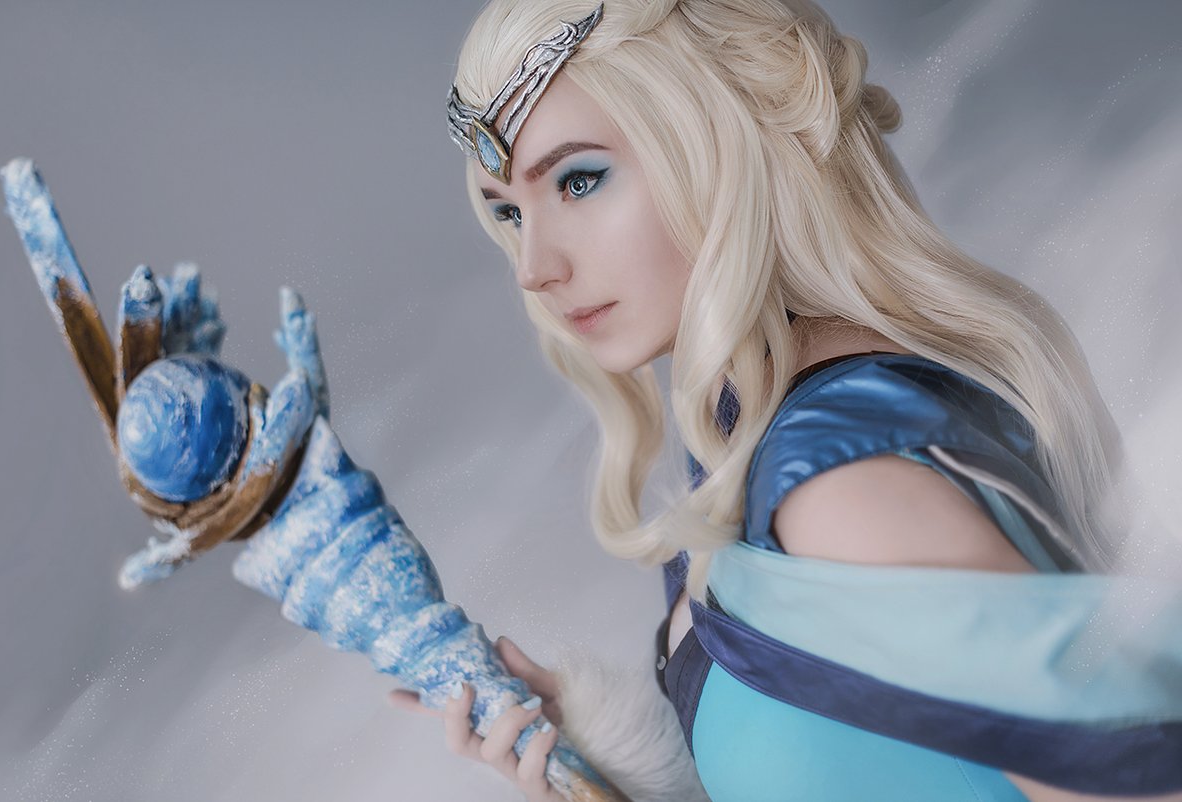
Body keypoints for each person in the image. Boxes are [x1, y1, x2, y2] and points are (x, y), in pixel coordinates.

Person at [389, 1, 1182, 800]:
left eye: (579, 180)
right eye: (509, 212)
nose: (534, 266)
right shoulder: (752, 437)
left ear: (724, 144)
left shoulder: (839, 479)